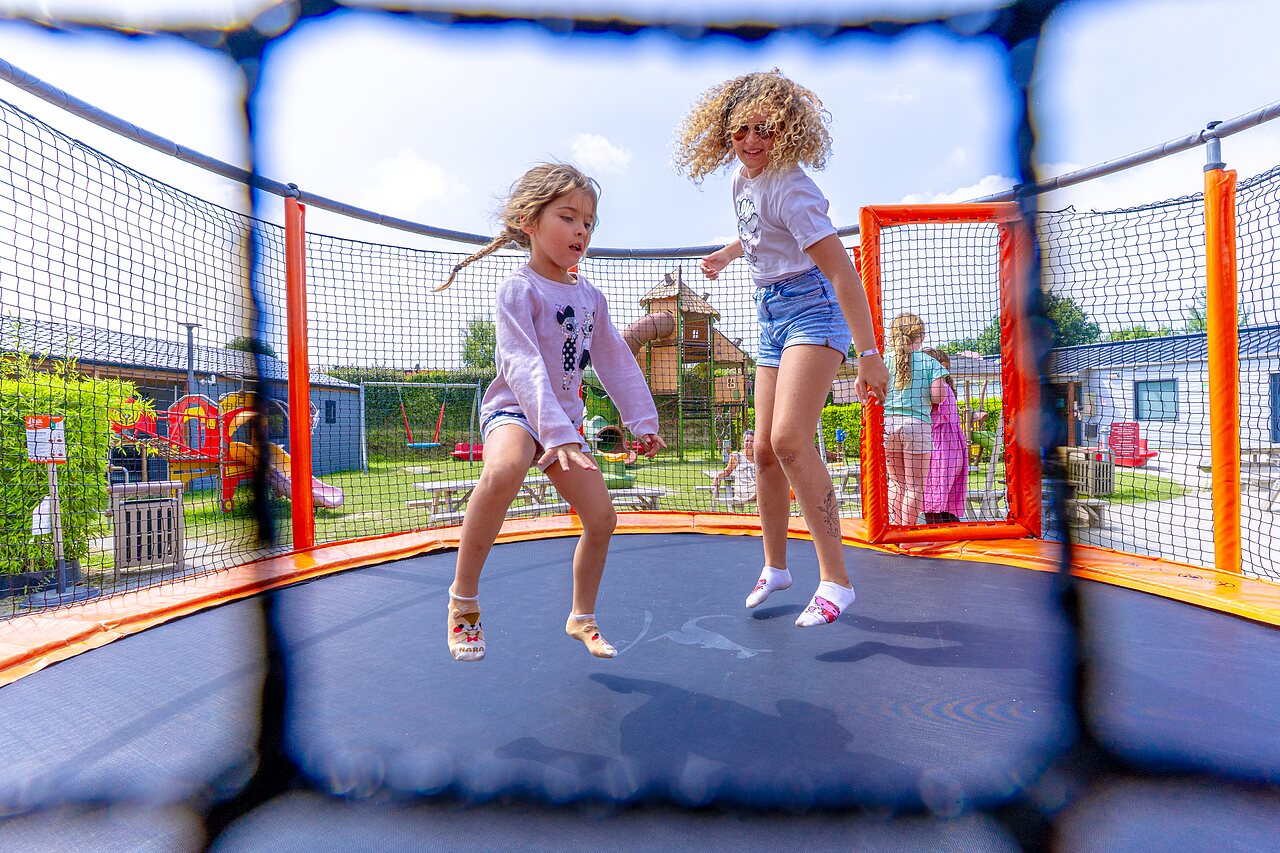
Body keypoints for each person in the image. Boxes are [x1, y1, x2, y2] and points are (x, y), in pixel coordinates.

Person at [673, 69, 890, 627]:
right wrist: (726, 255)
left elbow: (844, 274)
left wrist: (868, 354)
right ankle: (776, 567)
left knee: (792, 441)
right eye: (741, 130)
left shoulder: (793, 187)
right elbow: (758, 234)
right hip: (769, 314)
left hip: (813, 309)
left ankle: (837, 581)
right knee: (762, 450)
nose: (751, 141)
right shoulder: (743, 181)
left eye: (764, 131)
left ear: (786, 131)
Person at [437, 163, 667, 662]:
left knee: (602, 519)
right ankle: (464, 601)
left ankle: (582, 616)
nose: (581, 230)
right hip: (517, 413)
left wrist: (642, 420)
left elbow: (615, 361)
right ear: (528, 221)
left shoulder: (590, 298)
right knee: (504, 468)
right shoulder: (519, 290)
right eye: (568, 217)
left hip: (564, 423)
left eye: (589, 222)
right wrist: (554, 432)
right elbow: (521, 365)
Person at [883, 314, 949, 526]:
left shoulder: (884, 360)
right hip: (916, 426)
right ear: (920, 336)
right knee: (914, 486)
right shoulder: (930, 362)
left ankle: (894, 530)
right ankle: (908, 536)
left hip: (888, 424)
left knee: (896, 482)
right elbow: (938, 396)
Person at [922, 348, 968, 524]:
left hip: (941, 450)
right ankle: (954, 537)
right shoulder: (947, 388)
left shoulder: (940, 390)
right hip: (951, 448)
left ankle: (938, 541)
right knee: (945, 502)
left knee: (934, 498)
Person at [711, 430, 758, 506]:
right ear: (743, 442)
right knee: (763, 491)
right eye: (747, 441)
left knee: (765, 490)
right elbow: (727, 471)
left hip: (756, 487)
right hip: (743, 489)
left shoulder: (758, 457)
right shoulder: (736, 456)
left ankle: (758, 516)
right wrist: (717, 477)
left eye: (752, 441)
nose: (749, 443)